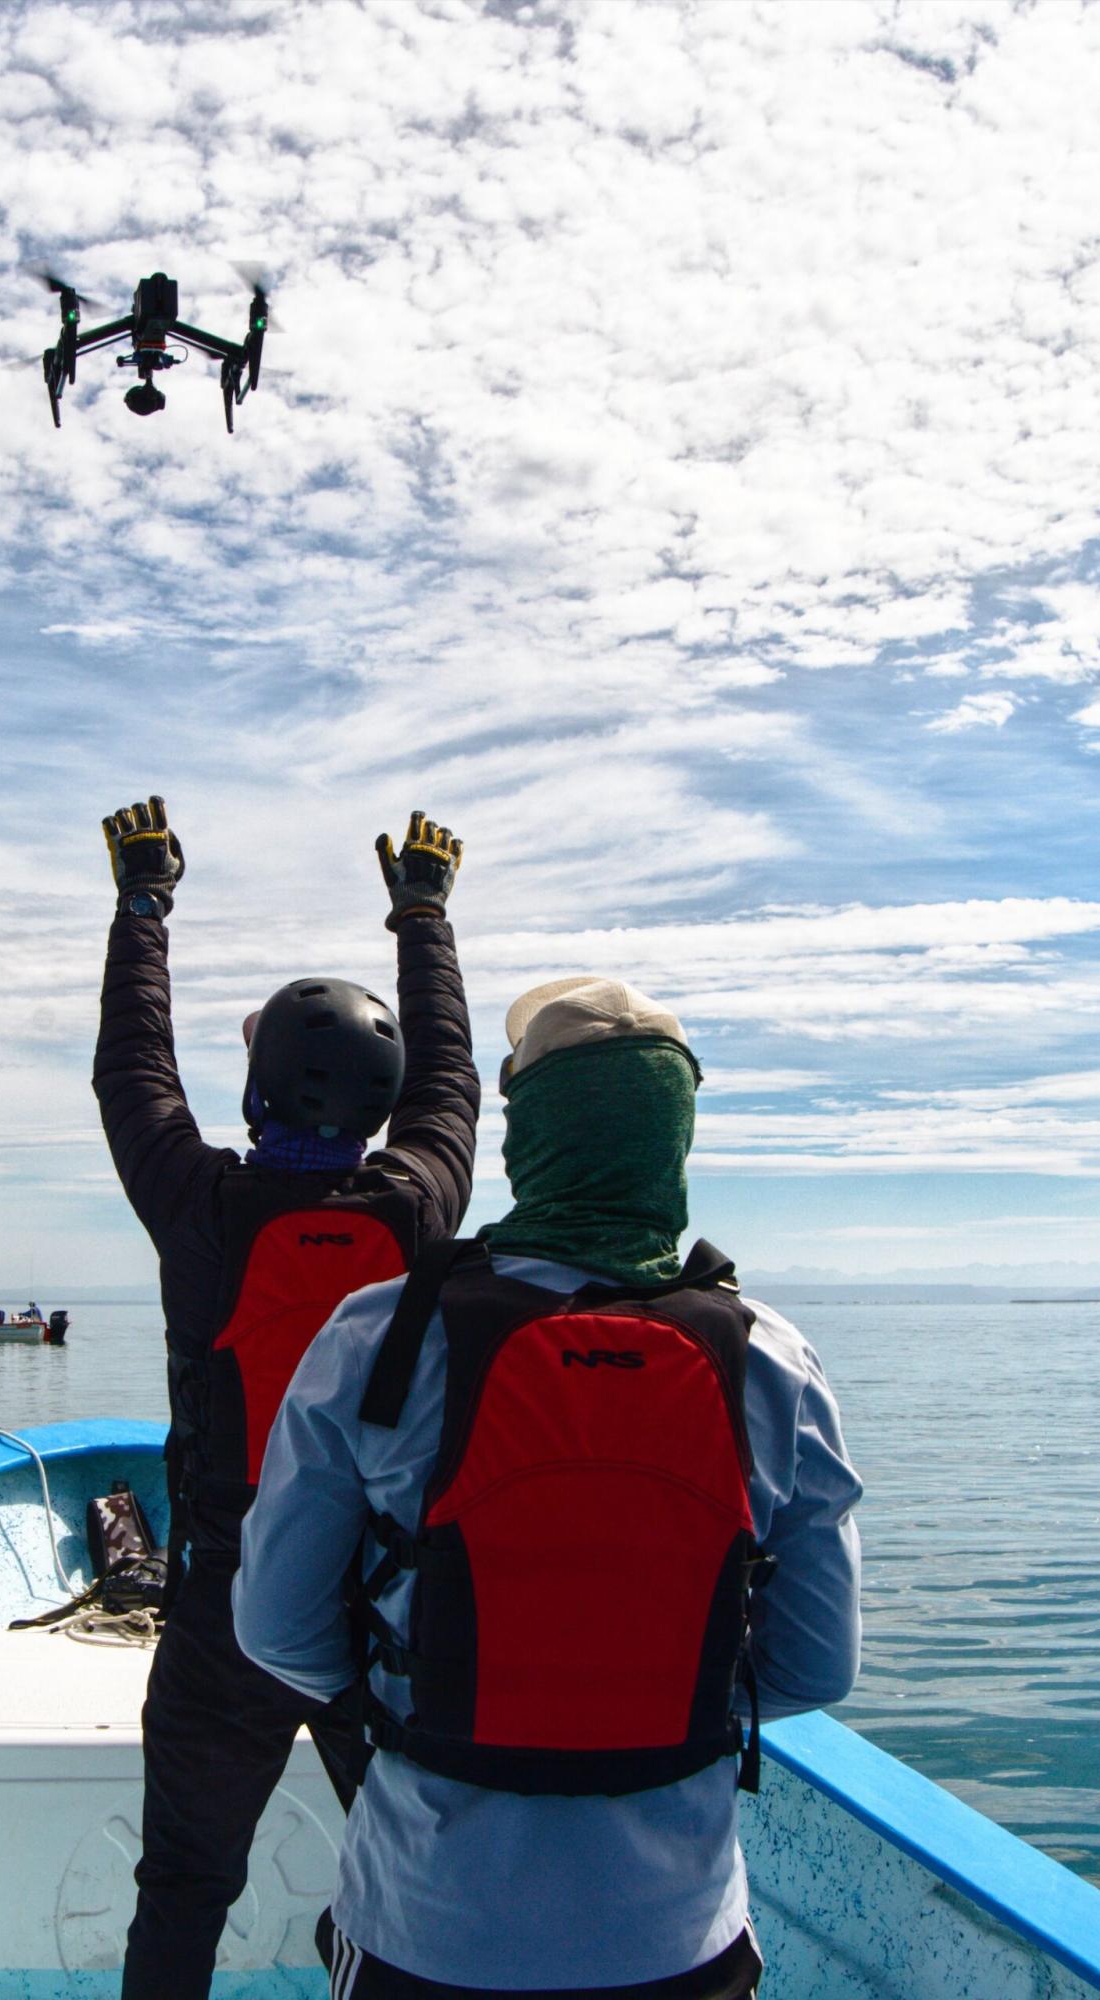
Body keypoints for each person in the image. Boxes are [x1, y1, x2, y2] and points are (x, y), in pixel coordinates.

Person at [235, 976, 862, 2000]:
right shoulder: (774, 1362)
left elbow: (277, 1632)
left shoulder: (376, 1333)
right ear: (672, 1137)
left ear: (529, 1137)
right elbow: (810, 1669)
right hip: (677, 1941)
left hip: (423, 1925)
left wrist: (419, 1688)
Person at [94, 793, 480, 2000]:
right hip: (379, 1611)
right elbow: (453, 1079)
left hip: (225, 1604)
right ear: (377, 1103)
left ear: (257, 1084)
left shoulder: (199, 1207)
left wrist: (143, 903)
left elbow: (130, 1061)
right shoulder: (414, 1205)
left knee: (185, 1885)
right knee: (428, 1882)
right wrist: (422, 915)